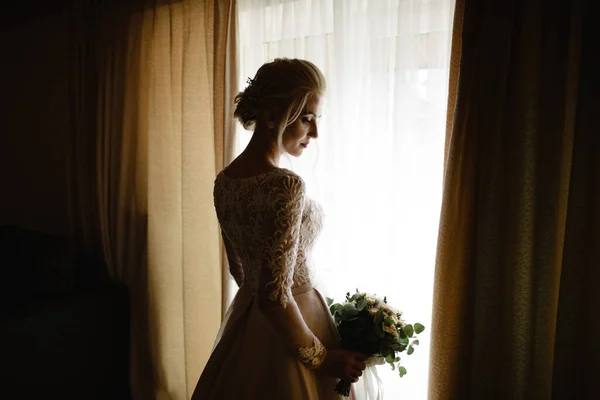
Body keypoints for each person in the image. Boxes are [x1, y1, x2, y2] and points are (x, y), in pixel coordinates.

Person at [192, 58, 367, 400]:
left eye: (316, 120)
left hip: (251, 321)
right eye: (306, 118)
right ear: (273, 116)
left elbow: (239, 269)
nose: (314, 133)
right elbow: (275, 297)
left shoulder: (224, 182)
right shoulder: (285, 185)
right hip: (294, 325)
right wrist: (320, 357)